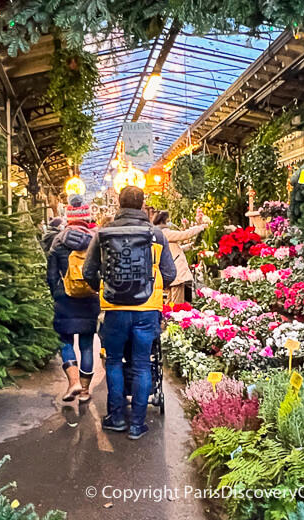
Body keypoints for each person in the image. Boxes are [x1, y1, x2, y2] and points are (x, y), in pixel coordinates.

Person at [83, 186, 176, 440]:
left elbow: (88, 272)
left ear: (118, 203)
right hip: (146, 309)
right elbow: (170, 274)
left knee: (113, 361)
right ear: (142, 204)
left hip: (114, 308)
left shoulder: (103, 233)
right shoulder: (156, 234)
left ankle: (116, 417)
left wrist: (104, 289)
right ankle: (137, 424)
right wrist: (152, 288)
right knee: (143, 363)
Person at [46, 194, 100, 403]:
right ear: (86, 218)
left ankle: (73, 381)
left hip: (64, 298)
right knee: (87, 344)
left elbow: (50, 274)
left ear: (68, 218)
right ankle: (85, 391)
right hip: (89, 297)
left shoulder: (58, 241)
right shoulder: (95, 240)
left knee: (65, 341)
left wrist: (56, 293)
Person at [152, 211, 208, 304]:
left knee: (170, 302)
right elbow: (183, 235)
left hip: (170, 271)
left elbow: (171, 249)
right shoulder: (165, 233)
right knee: (177, 302)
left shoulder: (158, 233)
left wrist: (188, 246)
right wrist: (199, 228)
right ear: (164, 221)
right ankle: (175, 318)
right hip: (176, 271)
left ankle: (167, 317)